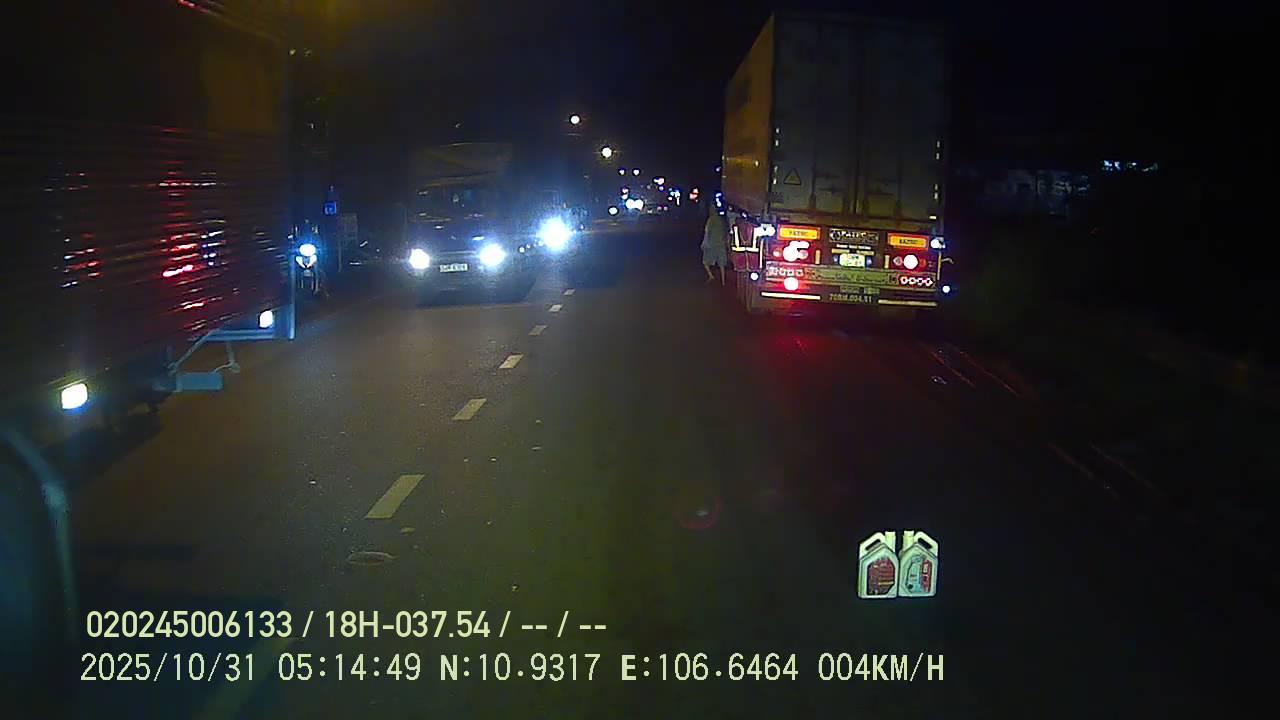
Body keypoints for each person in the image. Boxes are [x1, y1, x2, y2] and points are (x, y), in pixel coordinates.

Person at [701, 204, 728, 285]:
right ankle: (723, 281)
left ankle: (711, 276)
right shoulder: (722, 220)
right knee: (721, 264)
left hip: (712, 244)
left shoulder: (710, 220)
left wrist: (705, 242)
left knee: (705, 262)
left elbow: (707, 231)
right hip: (721, 243)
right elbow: (726, 231)